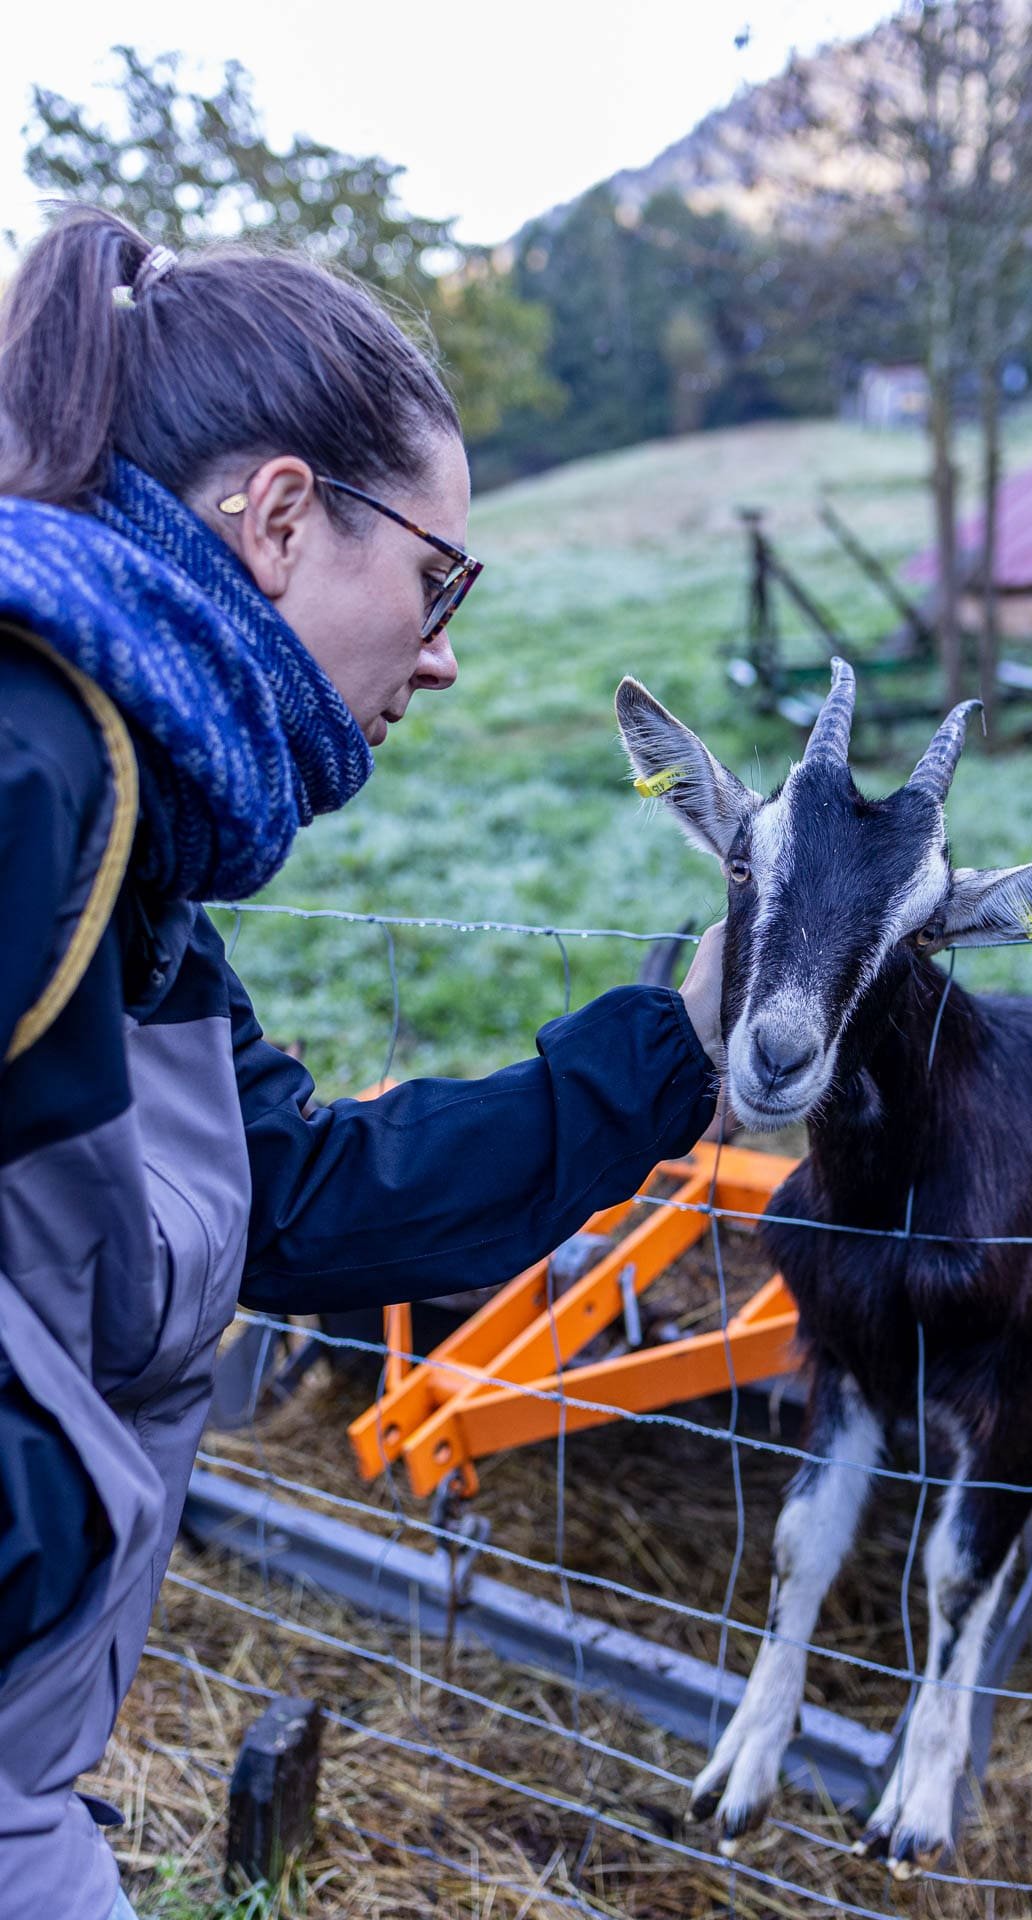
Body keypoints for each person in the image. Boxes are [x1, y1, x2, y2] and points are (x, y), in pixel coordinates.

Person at [0, 207, 724, 1920]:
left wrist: (680, 1038)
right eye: (436, 577)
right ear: (276, 519)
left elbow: (301, 1201)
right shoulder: (29, 773)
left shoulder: (133, 839)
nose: (449, 649)